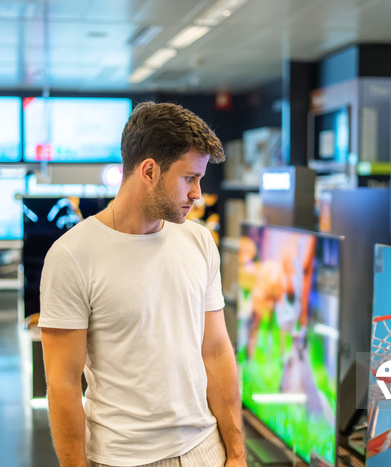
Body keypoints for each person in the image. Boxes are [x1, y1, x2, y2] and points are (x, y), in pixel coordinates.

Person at [38, 101, 246, 467]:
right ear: (149, 170)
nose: (197, 193)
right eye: (189, 178)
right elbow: (63, 385)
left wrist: (236, 452)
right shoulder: (72, 255)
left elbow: (215, 352)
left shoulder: (198, 242)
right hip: (124, 458)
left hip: (205, 448)